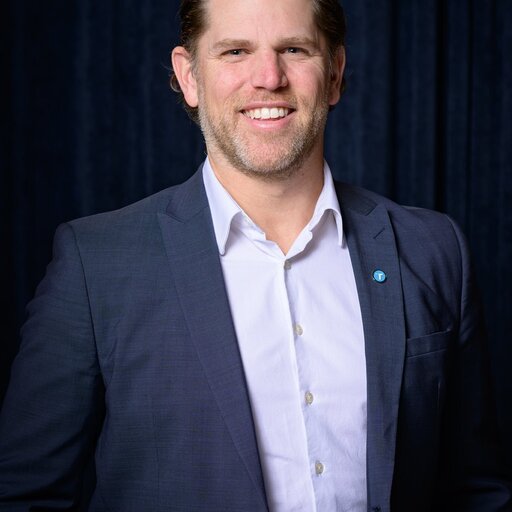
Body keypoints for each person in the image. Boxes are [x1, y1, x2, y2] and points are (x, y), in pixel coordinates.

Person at [0, 0, 510, 510]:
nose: (268, 78)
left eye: (294, 49)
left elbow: (475, 494)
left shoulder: (432, 250)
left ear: (334, 73)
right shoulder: (96, 265)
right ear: (189, 76)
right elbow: (26, 496)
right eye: (235, 51)